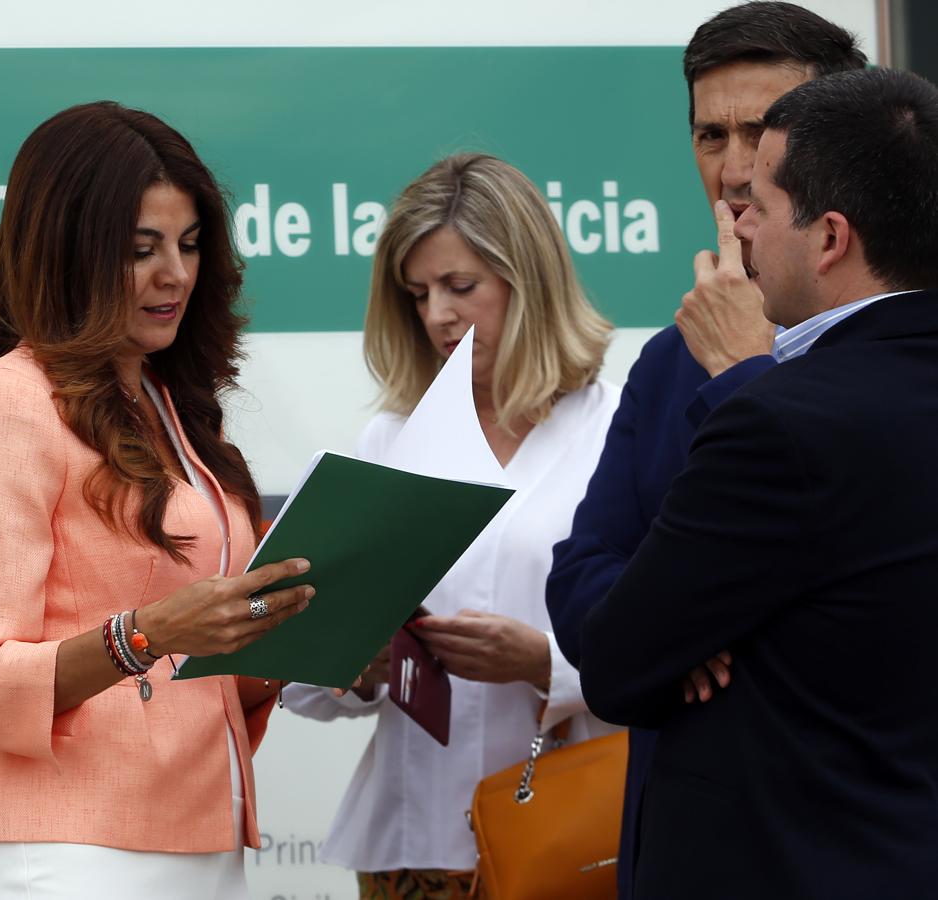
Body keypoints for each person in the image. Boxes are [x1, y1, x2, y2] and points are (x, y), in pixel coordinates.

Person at [0, 101, 316, 899]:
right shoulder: (10, 405)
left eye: (189, 244)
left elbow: (207, 680)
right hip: (73, 851)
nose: (173, 273)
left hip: (209, 838)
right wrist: (145, 635)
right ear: (69, 252)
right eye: (140, 250)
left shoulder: (176, 411)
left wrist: (301, 641)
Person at [581, 67, 938, 899]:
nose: (735, 218)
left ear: (830, 237)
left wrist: (748, 379)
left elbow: (619, 663)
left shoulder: (775, 417)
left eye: (762, 205)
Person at [544, 4, 866, 895]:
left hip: (840, 851)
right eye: (709, 134)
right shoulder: (667, 357)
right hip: (681, 852)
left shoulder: (896, 354)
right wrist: (666, 627)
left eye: (761, 133)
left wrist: (747, 371)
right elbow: (581, 575)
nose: (731, 171)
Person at [283, 153, 621, 899]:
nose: (438, 314)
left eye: (461, 286)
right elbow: (300, 680)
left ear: (527, 279)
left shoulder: (618, 435)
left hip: (565, 841)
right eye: (418, 293)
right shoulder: (388, 446)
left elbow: (677, 650)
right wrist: (355, 663)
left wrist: (545, 661)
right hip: (413, 849)